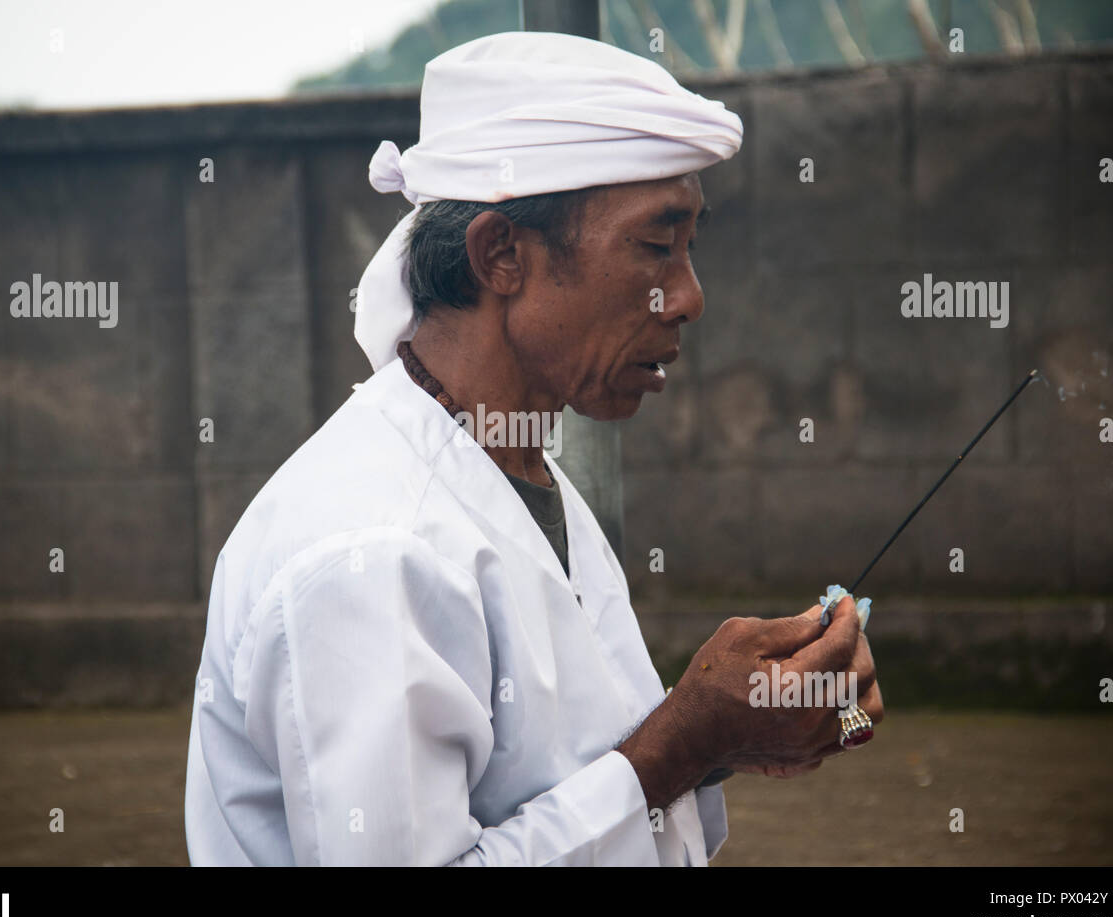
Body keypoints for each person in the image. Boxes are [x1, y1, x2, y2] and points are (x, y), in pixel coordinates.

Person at [184, 30, 884, 866]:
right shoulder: (373, 551)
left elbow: (557, 784)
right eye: (658, 246)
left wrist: (738, 732)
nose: (689, 297)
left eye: (691, 245)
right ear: (501, 255)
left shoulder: (514, 471)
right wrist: (686, 743)